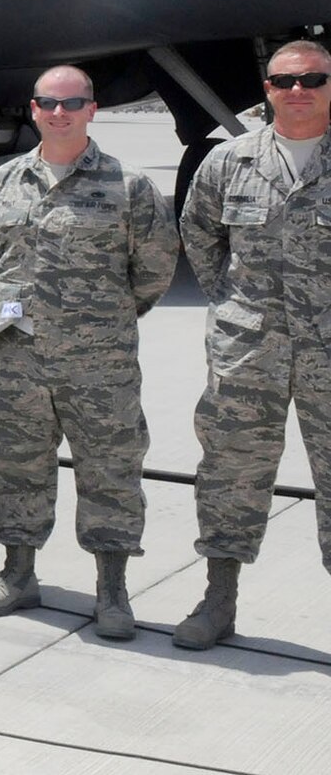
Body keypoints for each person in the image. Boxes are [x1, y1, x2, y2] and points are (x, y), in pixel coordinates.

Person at [0, 65, 177, 639]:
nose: (59, 113)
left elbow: (154, 270)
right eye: (47, 103)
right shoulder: (6, 181)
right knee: (13, 466)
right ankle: (17, 574)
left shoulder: (128, 185)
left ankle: (111, 590)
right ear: (33, 110)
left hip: (99, 364)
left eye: (72, 103)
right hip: (17, 361)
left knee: (110, 470)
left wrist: (96, 322)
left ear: (92, 109)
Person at [174, 39, 331, 650]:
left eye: (313, 80)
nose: (298, 91)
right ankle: (219, 599)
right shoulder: (231, 160)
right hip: (249, 352)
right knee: (230, 472)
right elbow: (199, 232)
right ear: (266, 89)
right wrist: (234, 308)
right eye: (284, 81)